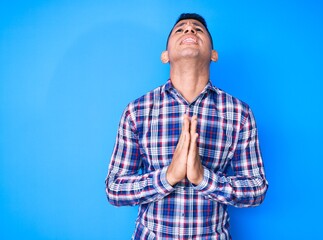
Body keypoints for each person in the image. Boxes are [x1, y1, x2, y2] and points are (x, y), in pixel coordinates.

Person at [105, 13, 268, 240]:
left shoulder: (239, 114)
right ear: (165, 56)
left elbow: (257, 188)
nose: (189, 30)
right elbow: (114, 188)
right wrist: (168, 176)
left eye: (198, 29)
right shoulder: (137, 111)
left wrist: (203, 179)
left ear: (213, 54)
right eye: (180, 29)